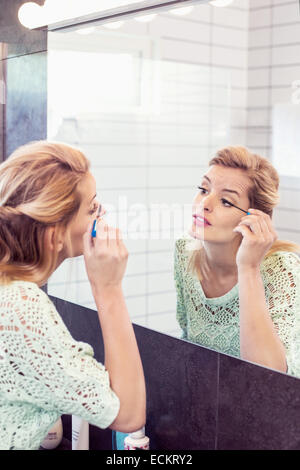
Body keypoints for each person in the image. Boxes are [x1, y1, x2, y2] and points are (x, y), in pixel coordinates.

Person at [0, 140, 146, 450]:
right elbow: (129, 414)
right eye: (92, 208)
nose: (101, 215)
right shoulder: (20, 307)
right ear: (54, 236)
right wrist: (108, 288)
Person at [174, 146, 300, 376]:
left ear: (254, 219)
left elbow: (271, 377)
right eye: (203, 189)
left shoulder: (282, 269)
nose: (204, 203)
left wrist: (249, 268)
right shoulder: (185, 251)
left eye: (226, 202)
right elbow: (187, 339)